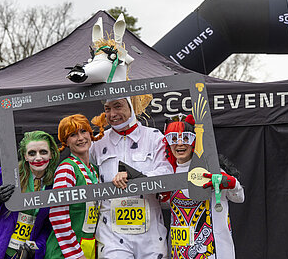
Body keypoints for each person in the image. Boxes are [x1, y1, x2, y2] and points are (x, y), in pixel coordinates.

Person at [90, 97, 174, 259]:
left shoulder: (154, 137)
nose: (112, 114)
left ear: (131, 106)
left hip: (150, 233)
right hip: (111, 234)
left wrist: (135, 176)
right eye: (107, 109)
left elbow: (167, 172)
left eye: (118, 106)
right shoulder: (98, 142)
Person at [163, 113, 244, 259]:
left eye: (186, 138)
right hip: (179, 251)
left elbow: (239, 197)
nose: (180, 144)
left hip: (213, 251)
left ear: (195, 141)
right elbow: (167, 206)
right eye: (174, 139)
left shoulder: (211, 170)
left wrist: (232, 183)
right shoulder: (167, 171)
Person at [0, 131, 60, 259]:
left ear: (51, 154)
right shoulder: (9, 174)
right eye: (32, 153)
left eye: (43, 152)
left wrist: (36, 249)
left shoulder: (53, 184)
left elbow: (47, 226)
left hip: (21, 255)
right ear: (25, 156)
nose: (38, 158)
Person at [45, 114, 107, 259]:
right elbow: (58, 215)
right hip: (65, 253)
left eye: (83, 131)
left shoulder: (94, 171)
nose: (80, 138)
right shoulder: (66, 169)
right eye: (73, 135)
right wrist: (75, 255)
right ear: (65, 141)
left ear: (90, 134)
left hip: (88, 248)